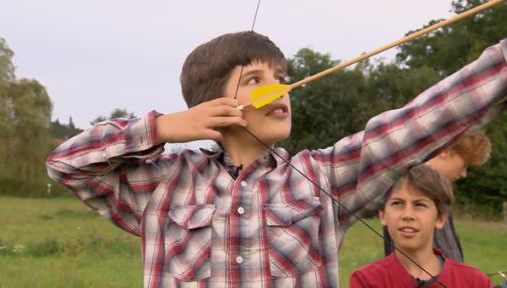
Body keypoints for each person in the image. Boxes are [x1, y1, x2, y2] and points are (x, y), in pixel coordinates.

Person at [46, 31, 507, 287]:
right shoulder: (164, 184)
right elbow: (66, 163)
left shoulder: (323, 176)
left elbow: (428, 118)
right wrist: (165, 127)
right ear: (210, 102)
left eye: (283, 77)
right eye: (255, 79)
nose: (280, 88)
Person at [350, 164, 493, 287]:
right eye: (397, 203)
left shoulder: (475, 282)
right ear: (383, 216)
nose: (407, 215)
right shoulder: (366, 280)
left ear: (440, 218)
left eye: (419, 205)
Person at [382, 130, 492, 262]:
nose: (464, 174)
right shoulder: (411, 190)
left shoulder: (437, 191)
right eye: (464, 164)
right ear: (445, 150)